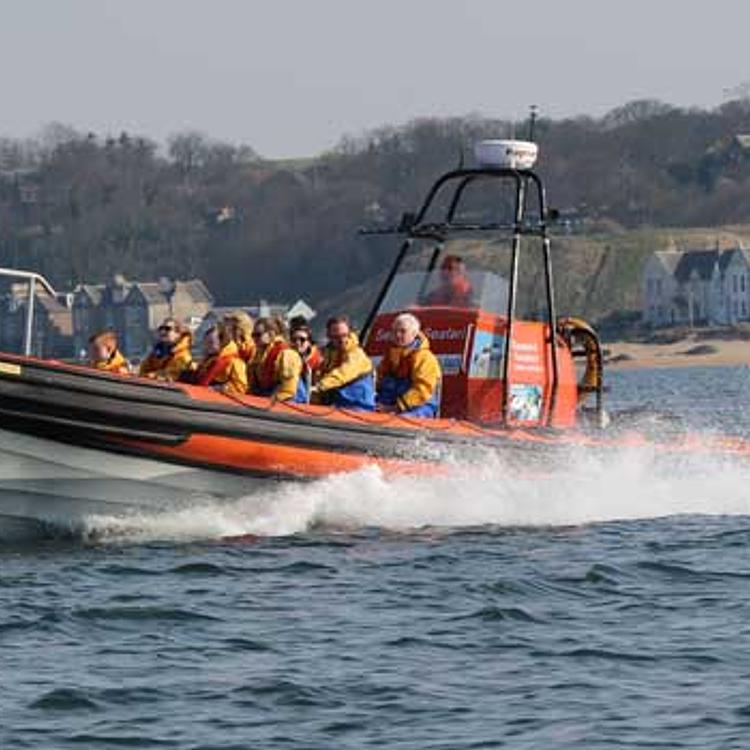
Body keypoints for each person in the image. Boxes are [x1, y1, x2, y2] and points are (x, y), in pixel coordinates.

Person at [376, 312, 441, 418]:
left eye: (402, 331)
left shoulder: (425, 358)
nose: (397, 335)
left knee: (403, 419)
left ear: (414, 333)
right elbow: (378, 381)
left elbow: (422, 390)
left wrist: (396, 408)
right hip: (390, 402)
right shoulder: (390, 355)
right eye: (394, 331)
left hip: (420, 406)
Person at [312, 316, 375, 411]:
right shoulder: (328, 353)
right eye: (336, 337)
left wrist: (320, 386)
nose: (341, 340)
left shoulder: (356, 354)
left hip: (358, 406)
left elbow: (343, 373)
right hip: (338, 404)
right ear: (328, 336)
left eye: (345, 335)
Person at [247, 317, 306, 403]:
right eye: (253, 335)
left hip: (289, 402)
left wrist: (269, 402)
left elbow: (288, 390)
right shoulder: (258, 356)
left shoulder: (286, 354)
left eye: (258, 335)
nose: (254, 338)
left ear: (271, 334)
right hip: (266, 397)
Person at [191, 323, 247, 397]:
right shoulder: (209, 360)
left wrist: (217, 388)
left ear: (222, 341)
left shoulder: (235, 362)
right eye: (206, 343)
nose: (207, 346)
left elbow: (240, 387)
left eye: (211, 342)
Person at [289, 316, 323, 386]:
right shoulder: (286, 357)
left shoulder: (318, 360)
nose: (297, 343)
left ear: (309, 342)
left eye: (302, 340)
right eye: (294, 340)